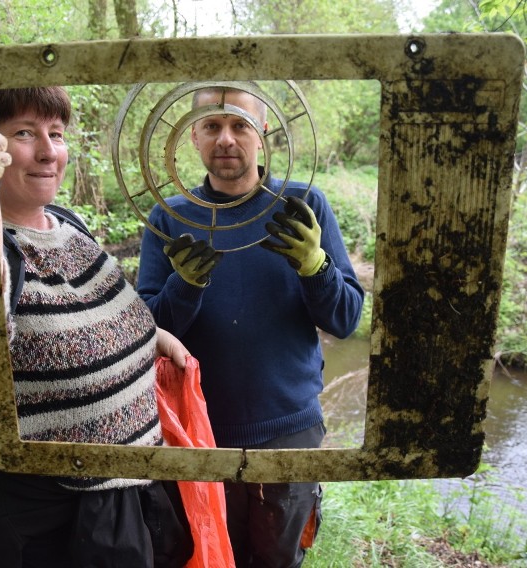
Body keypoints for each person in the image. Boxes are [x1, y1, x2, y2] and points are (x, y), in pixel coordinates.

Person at [0, 86, 193, 568]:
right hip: (39, 532)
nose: (47, 152)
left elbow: (89, 314)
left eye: (55, 134)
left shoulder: (65, 224)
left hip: (119, 507)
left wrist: (151, 337)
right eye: (23, 133)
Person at [137, 84, 365, 567]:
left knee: (277, 558)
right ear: (193, 137)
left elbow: (346, 319)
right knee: (200, 553)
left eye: (239, 125)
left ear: (262, 133)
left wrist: (315, 266)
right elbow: (144, 333)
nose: (226, 139)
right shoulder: (169, 216)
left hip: (287, 432)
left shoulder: (302, 206)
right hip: (194, 430)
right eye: (212, 126)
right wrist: (186, 286)